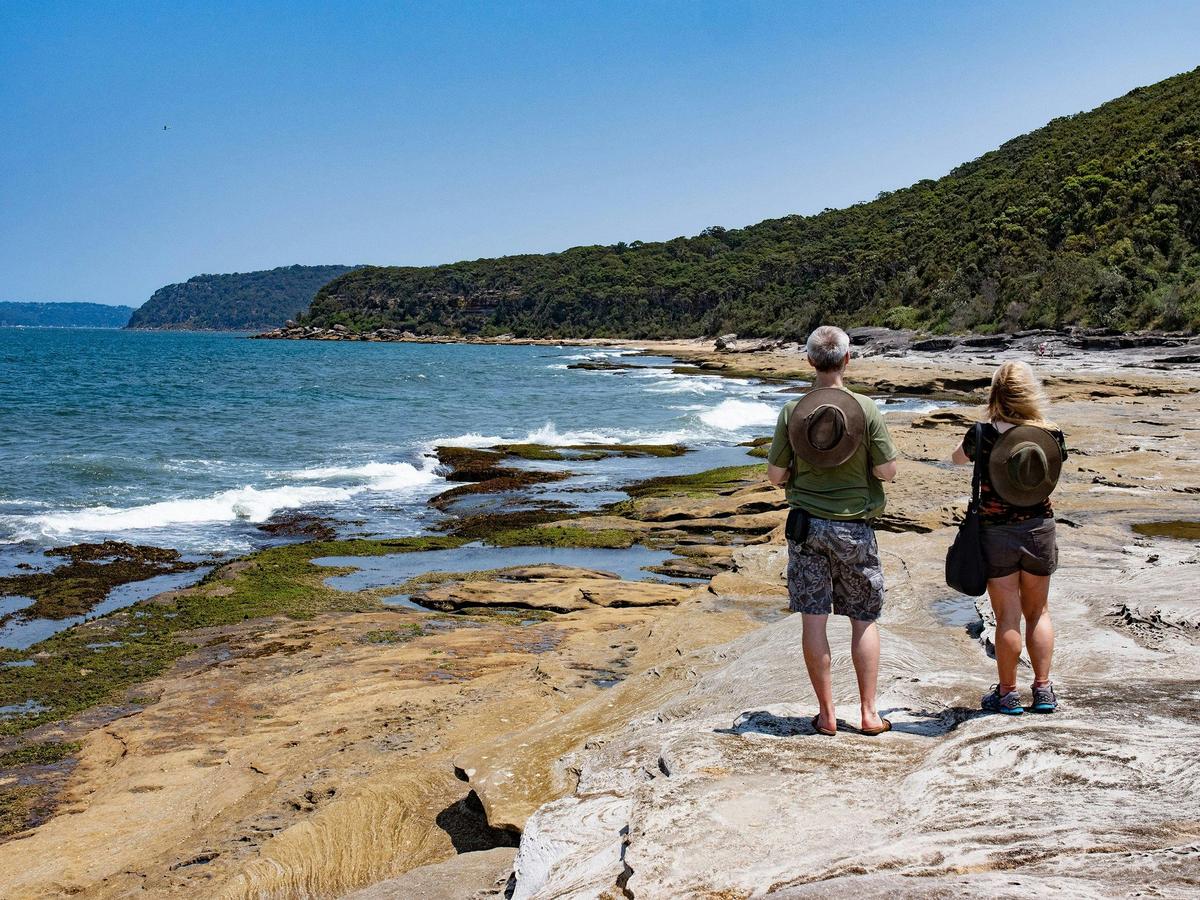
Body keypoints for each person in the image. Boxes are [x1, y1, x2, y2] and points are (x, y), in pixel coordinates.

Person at [766, 325, 899, 736]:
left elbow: (775, 475)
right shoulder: (865, 409)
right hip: (855, 528)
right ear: (846, 359)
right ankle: (869, 713)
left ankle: (826, 715)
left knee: (814, 620)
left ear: (810, 361)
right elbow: (887, 471)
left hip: (807, 529)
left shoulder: (794, 411)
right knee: (863, 619)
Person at [951, 360, 1066, 715]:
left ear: (996, 393)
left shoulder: (983, 434)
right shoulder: (1050, 433)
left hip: (996, 533)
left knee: (1007, 619)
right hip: (1038, 529)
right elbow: (1057, 463)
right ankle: (1043, 690)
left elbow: (957, 460)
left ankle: (1007, 693)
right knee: (1039, 612)